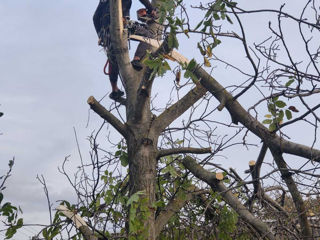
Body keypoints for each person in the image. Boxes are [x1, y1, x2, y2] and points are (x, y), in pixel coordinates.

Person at [93, 0, 155, 100]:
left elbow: (95, 18)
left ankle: (114, 89)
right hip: (122, 25)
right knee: (150, 37)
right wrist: (151, 9)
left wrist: (100, 35)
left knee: (114, 57)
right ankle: (136, 59)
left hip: (106, 32)